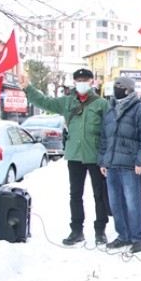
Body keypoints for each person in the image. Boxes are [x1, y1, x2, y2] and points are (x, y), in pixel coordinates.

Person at [19, 69, 110, 246]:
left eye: (85, 80)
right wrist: (27, 87)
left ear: (92, 82)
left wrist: (106, 156)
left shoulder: (101, 104)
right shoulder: (67, 102)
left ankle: (100, 231)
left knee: (99, 195)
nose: (81, 83)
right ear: (74, 83)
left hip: (95, 156)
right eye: (78, 80)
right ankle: (76, 231)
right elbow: (44, 102)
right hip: (75, 155)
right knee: (75, 195)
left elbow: (109, 131)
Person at [98, 77, 141, 253]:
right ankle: (123, 236)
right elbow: (104, 139)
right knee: (116, 203)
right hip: (112, 165)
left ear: (129, 90)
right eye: (115, 86)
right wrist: (103, 160)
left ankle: (138, 238)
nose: (116, 89)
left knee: (133, 203)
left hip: (131, 166)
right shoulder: (111, 111)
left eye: (120, 87)